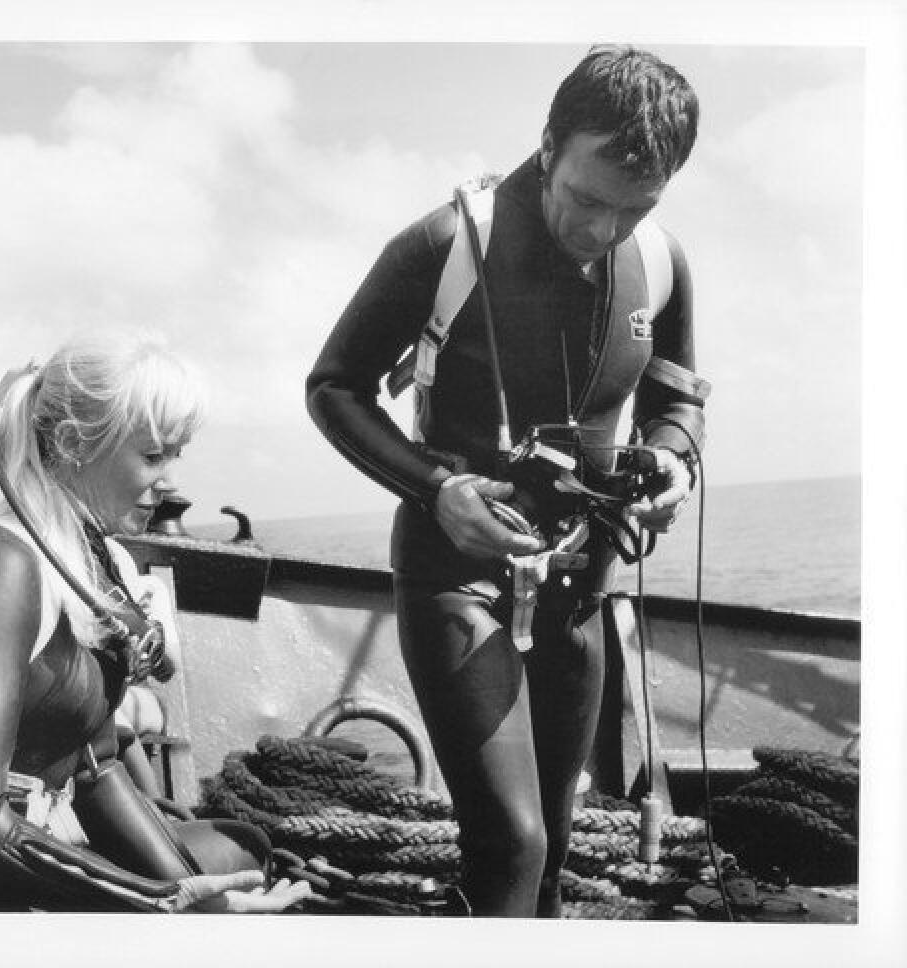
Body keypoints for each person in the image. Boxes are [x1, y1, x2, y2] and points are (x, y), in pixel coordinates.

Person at [305, 45, 707, 917]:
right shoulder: (450, 241)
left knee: (557, 844)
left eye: (633, 210)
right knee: (512, 841)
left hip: (581, 589)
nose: (601, 232)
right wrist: (435, 489)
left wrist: (673, 458)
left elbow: (676, 403)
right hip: (458, 578)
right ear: (549, 143)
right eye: (586, 198)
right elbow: (333, 387)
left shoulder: (665, 260)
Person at [0, 331, 311, 914]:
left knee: (245, 850)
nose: (171, 479)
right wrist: (161, 904)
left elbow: (94, 766)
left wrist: (204, 908)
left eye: (176, 454)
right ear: (75, 444)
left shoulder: (92, 560)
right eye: (153, 455)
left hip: (32, 854)